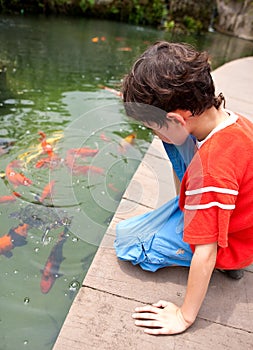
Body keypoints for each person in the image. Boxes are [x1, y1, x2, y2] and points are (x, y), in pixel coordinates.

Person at [114, 41, 253, 335]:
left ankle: (225, 264)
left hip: (229, 240)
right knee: (172, 140)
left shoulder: (215, 168)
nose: (153, 134)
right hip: (229, 210)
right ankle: (189, 212)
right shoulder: (233, 122)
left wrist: (184, 316)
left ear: (178, 118)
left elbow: (207, 249)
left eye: (153, 126)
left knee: (128, 243)